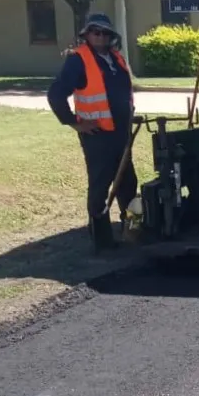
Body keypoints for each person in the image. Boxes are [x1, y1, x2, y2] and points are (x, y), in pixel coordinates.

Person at [47, 14, 137, 251]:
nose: (101, 37)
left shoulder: (116, 59)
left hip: (121, 134)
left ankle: (131, 231)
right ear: (87, 34)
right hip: (97, 136)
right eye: (96, 32)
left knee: (127, 183)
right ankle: (102, 241)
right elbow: (56, 94)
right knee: (100, 185)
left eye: (105, 33)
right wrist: (74, 123)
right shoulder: (78, 59)